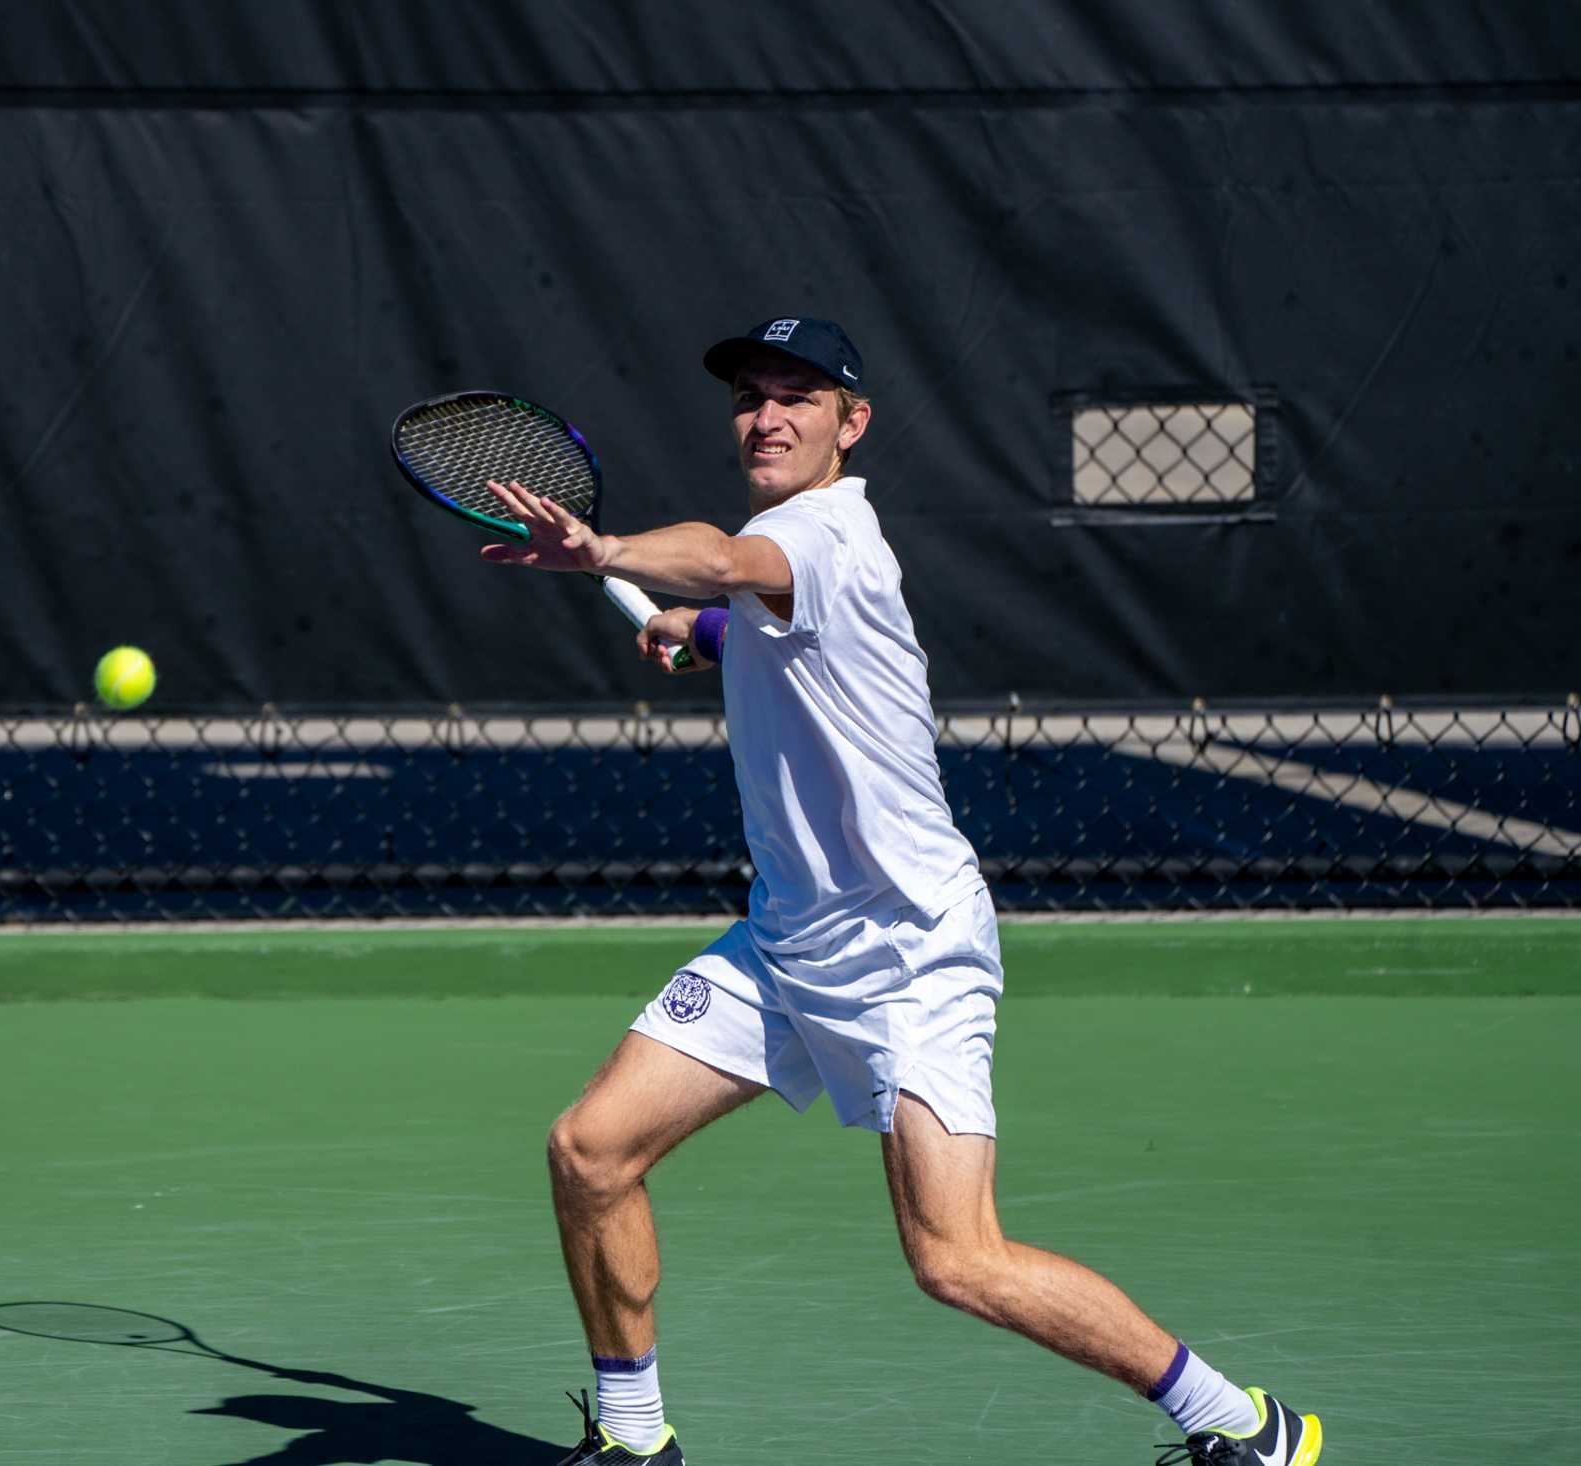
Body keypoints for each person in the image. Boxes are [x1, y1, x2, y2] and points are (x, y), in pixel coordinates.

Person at [478, 318, 1322, 1466]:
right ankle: (635, 1441)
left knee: (956, 1259)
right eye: (748, 398)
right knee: (590, 1150)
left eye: (796, 396)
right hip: (783, 942)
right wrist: (702, 631)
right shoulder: (792, 560)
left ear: (849, 422)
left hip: (908, 947)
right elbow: (751, 609)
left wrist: (608, 551)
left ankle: (1238, 1421)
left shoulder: (821, 529)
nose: (765, 416)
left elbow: (736, 562)